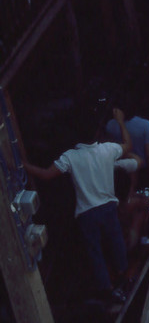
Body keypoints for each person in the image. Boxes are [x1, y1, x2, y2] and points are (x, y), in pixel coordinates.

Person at [24, 109, 134, 303]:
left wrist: (22, 165)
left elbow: (45, 174)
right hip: (108, 208)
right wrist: (120, 121)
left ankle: (108, 289)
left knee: (95, 252)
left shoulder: (70, 157)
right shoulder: (107, 148)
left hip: (87, 214)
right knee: (116, 242)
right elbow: (128, 145)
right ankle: (124, 278)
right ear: (97, 131)